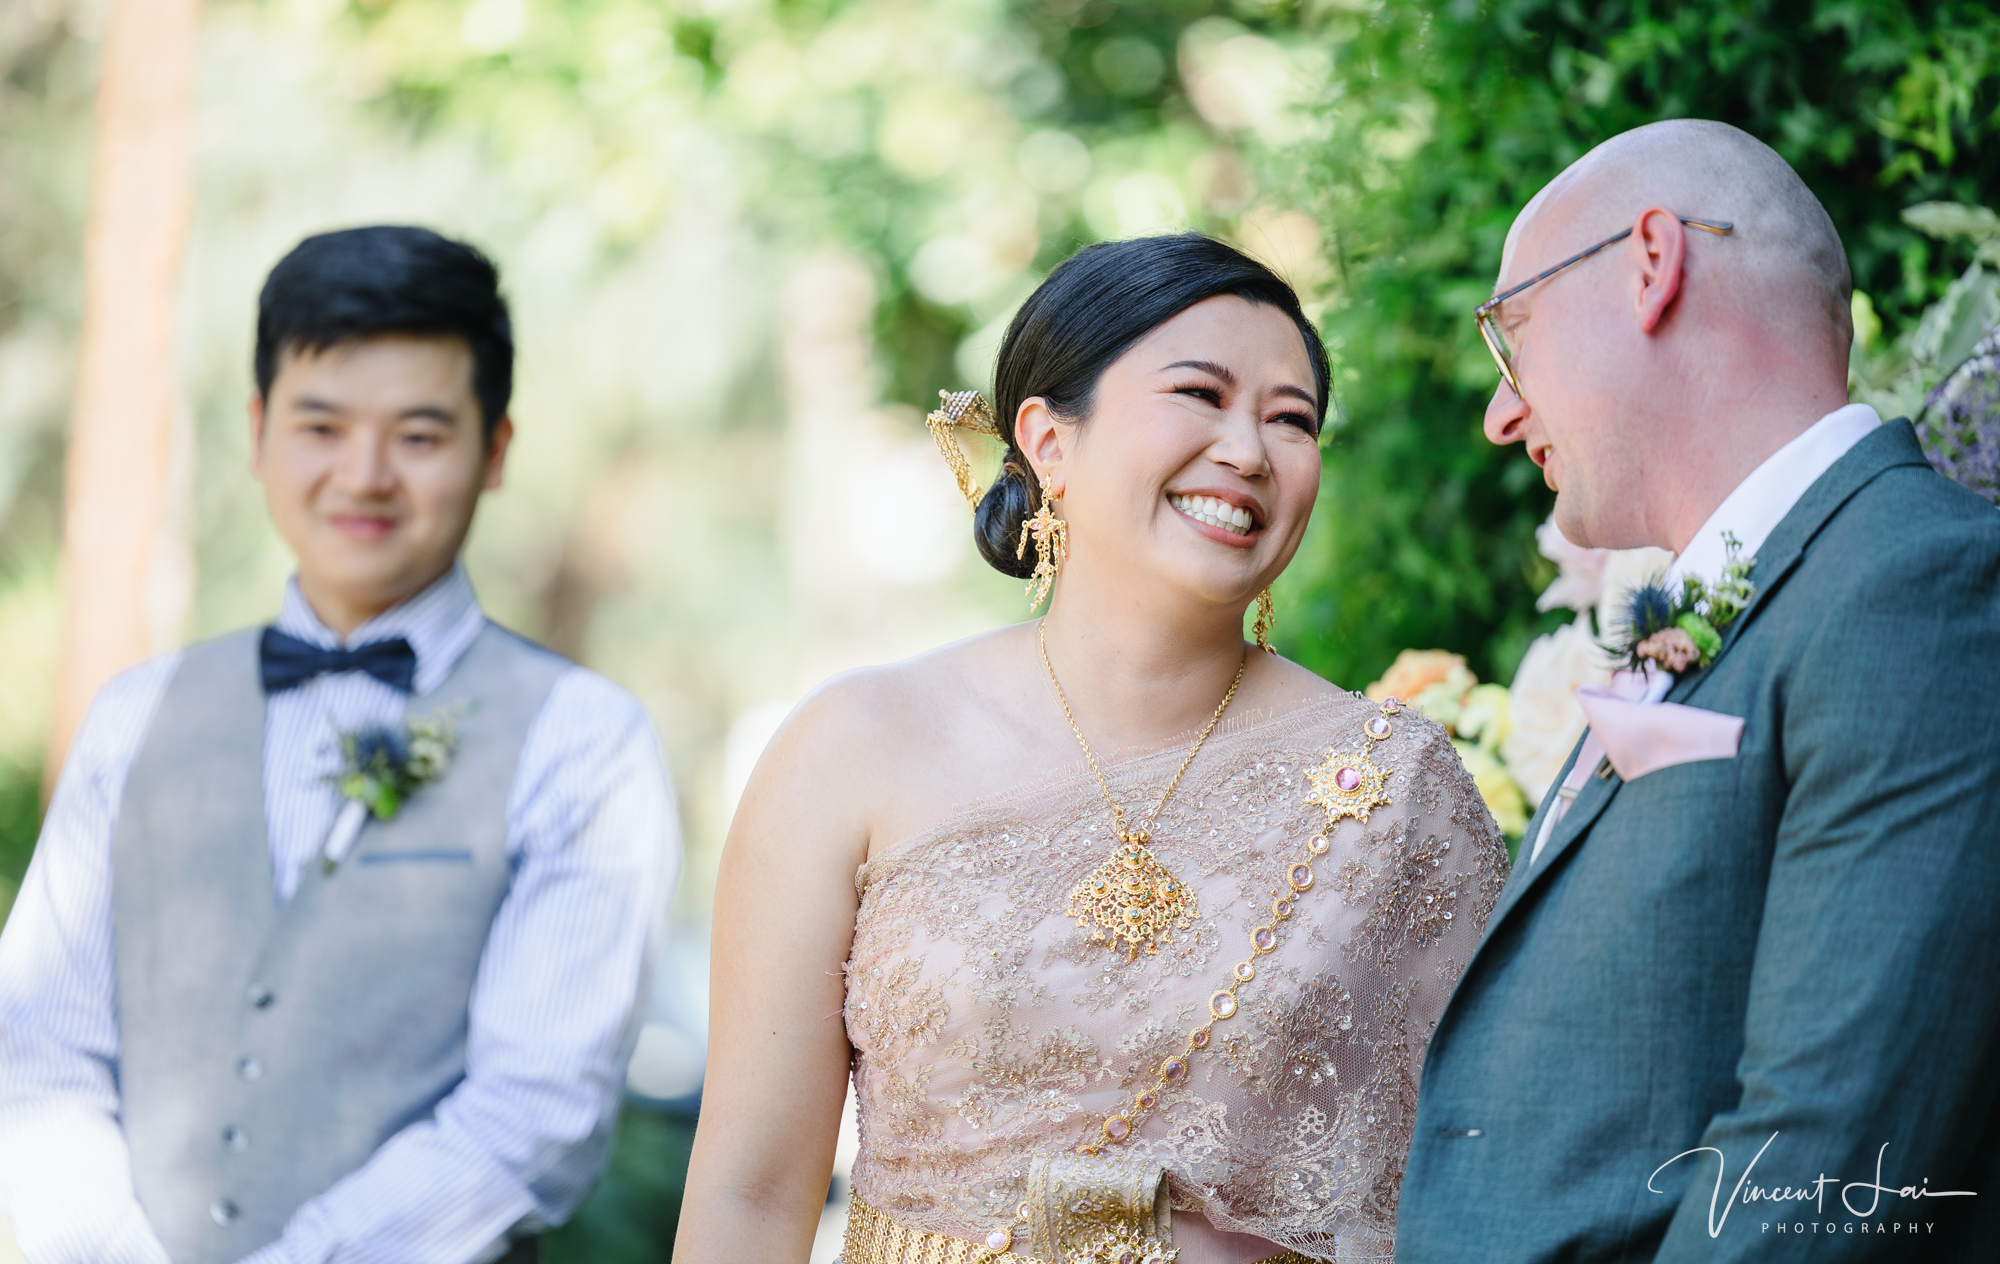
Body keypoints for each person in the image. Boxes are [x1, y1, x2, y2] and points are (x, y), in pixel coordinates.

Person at [677, 233, 1509, 1263]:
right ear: (1047, 443)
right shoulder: (853, 749)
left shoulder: (1394, 784)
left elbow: (1489, 1175)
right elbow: (751, 1192)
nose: (1247, 450)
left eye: (1289, 420)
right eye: (1198, 395)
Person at [0, 226, 679, 1264]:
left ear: (495, 451)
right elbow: (42, 1048)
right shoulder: (134, 715)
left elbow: (538, 1110)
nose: (363, 476)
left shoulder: (583, 741)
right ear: (260, 430)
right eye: (321, 426)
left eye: (418, 435)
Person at [1399, 120, 2000, 1260]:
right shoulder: (1735, 596)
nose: (1499, 412)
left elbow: (1824, 1157)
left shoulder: (1918, 583)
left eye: (1507, 333)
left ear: (1649, 261)